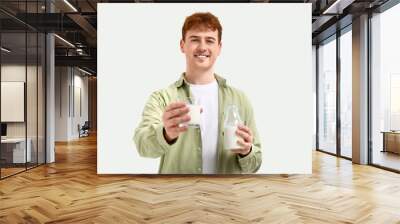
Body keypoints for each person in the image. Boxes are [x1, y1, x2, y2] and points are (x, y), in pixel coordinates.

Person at [134, 12, 262, 174]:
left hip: (226, 196)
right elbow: (142, 147)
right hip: (179, 195)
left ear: (219, 48)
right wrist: (166, 134)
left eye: (210, 40)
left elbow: (255, 163)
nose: (202, 47)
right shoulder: (162, 98)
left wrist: (247, 151)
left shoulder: (240, 99)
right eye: (195, 39)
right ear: (182, 45)